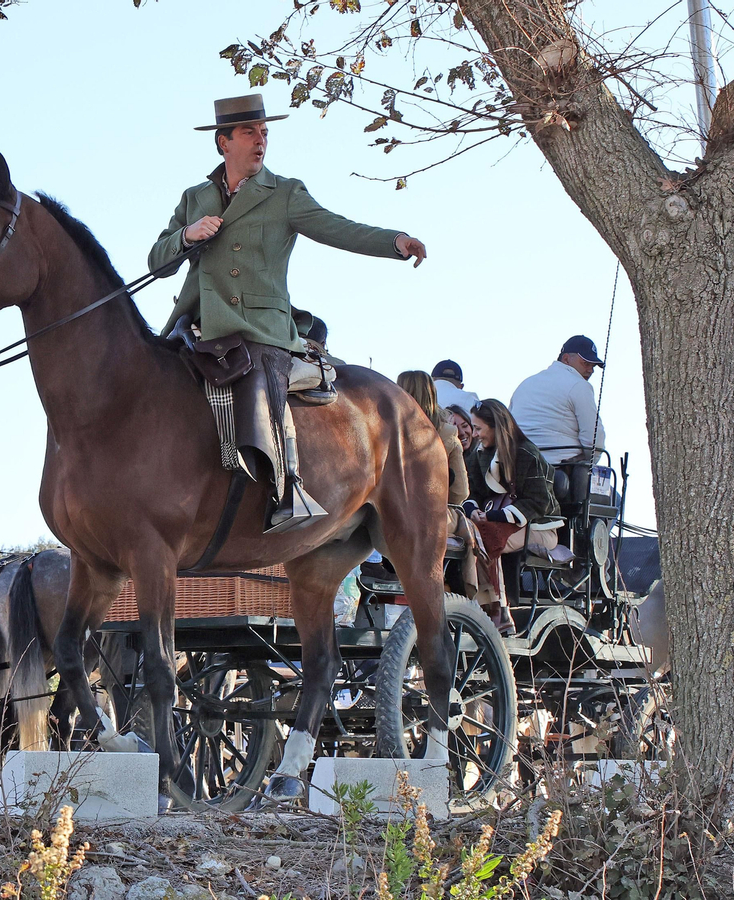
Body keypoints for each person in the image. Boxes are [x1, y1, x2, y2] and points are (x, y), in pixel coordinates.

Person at [149, 93, 427, 528]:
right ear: (224, 142)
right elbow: (157, 263)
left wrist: (395, 242)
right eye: (249, 133)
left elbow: (338, 228)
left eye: (264, 133)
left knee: (258, 371)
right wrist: (187, 235)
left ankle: (287, 488)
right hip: (198, 323)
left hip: (260, 327)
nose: (260, 141)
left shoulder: (285, 193)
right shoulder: (195, 197)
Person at [465, 400, 561, 628]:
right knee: (471, 537)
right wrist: (474, 510)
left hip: (540, 529)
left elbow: (539, 504)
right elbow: (472, 491)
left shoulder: (528, 454)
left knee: (487, 540)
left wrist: (493, 517)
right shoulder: (479, 455)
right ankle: (481, 605)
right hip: (503, 524)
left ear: (496, 427)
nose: (475, 434)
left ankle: (499, 611)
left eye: (479, 428)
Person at [509, 335, 606, 465]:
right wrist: (590, 465)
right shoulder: (579, 385)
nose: (590, 370)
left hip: (516, 465)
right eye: (586, 364)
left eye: (593, 366)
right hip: (559, 469)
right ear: (566, 359)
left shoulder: (525, 384)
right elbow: (593, 439)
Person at [396, 371, 468, 505]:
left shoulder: (385, 431)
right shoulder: (448, 434)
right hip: (430, 514)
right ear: (432, 394)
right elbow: (460, 492)